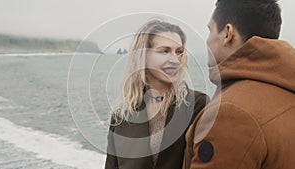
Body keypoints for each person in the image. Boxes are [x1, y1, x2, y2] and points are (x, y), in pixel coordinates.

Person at [183, 0, 295, 168]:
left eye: (210, 30)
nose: (207, 41)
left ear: (228, 33)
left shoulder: (230, 113)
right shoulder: (285, 87)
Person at [104, 20, 209, 169]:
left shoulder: (197, 105)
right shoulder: (121, 116)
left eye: (179, 52)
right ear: (143, 56)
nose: (175, 60)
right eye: (164, 51)